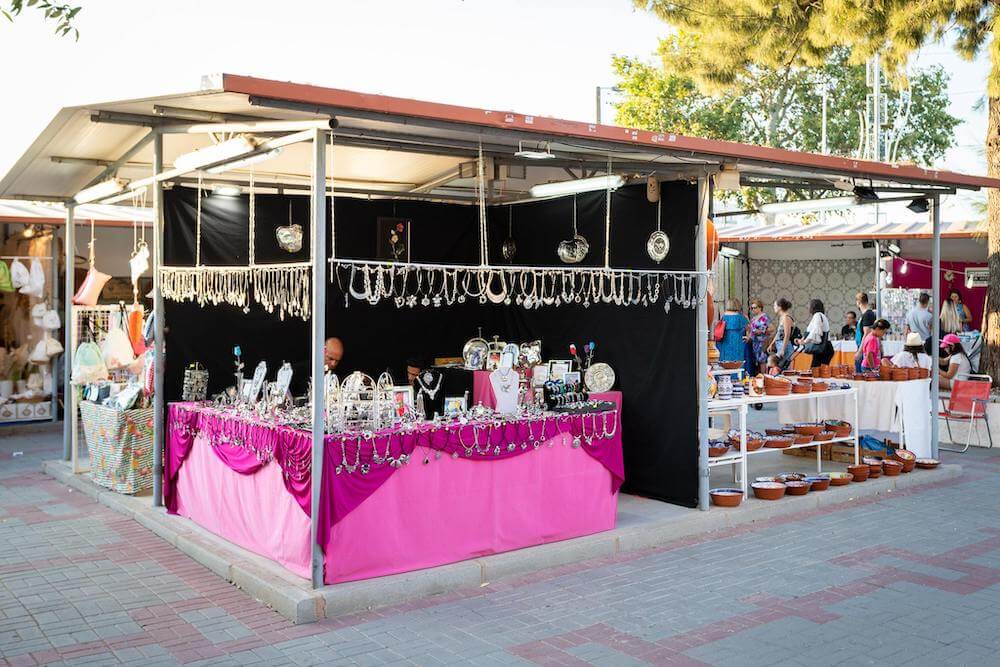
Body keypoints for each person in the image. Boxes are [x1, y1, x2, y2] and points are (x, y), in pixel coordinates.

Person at [795, 298, 835, 367]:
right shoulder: (821, 316)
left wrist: (805, 341)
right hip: (825, 347)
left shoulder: (817, 315)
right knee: (819, 370)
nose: (808, 307)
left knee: (815, 369)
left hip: (822, 348)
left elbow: (815, 331)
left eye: (809, 306)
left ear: (813, 307)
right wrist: (803, 339)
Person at [718, 298, 750, 363]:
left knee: (725, 359)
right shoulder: (740, 317)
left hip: (725, 340)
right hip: (737, 340)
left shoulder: (724, 316)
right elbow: (748, 328)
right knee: (737, 361)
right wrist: (747, 337)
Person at [767, 298, 795, 370]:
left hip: (785, 346)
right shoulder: (782, 317)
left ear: (779, 307)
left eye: (775, 306)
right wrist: (772, 344)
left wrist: (783, 349)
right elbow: (778, 333)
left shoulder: (786, 317)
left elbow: (787, 334)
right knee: (779, 367)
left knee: (784, 368)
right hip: (780, 345)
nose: (774, 307)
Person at [744, 299, 770, 374]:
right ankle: (759, 376)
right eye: (752, 308)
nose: (753, 310)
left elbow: (768, 329)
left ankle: (763, 376)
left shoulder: (764, 317)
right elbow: (751, 329)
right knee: (756, 360)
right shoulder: (754, 318)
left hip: (762, 341)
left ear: (760, 307)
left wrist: (760, 331)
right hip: (754, 342)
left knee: (762, 360)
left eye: (755, 308)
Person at [854, 293, 876, 371]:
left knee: (861, 373)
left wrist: (859, 351)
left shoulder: (867, 314)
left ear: (858, 302)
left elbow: (866, 333)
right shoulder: (864, 314)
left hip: (864, 348)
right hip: (862, 346)